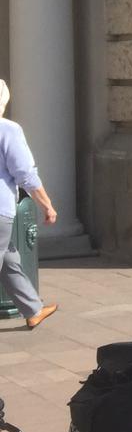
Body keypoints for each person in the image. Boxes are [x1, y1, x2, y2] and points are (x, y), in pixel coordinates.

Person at [0, 79, 58, 329]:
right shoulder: (8, 129)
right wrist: (46, 204)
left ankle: (32, 309)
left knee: (9, 260)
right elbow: (25, 173)